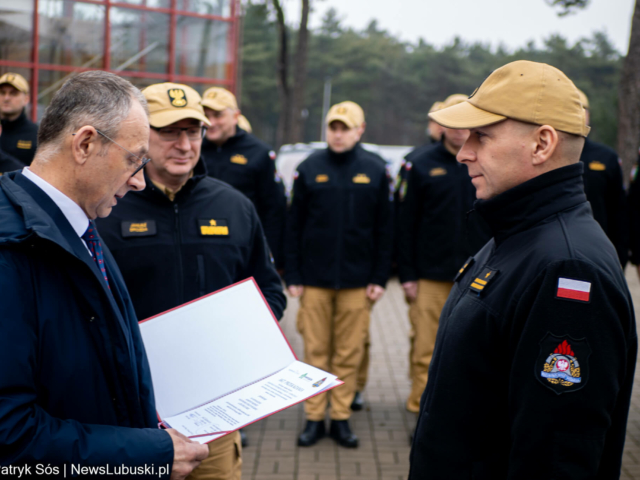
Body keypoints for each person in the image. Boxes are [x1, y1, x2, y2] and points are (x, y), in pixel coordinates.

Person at [409, 60, 637, 479]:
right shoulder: (518, 233)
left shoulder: (568, 268)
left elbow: (554, 459)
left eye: (482, 135)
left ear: (541, 144)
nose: (464, 152)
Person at [0, 71, 209, 478]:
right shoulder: (12, 251)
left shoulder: (75, 224)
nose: (138, 181)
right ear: (85, 144)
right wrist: (146, 455)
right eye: (134, 159)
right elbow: (10, 436)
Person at [97, 83, 286, 479]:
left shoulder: (235, 206)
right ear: (142, 134)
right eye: (169, 132)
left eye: (193, 131)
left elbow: (268, 290)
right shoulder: (106, 207)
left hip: (213, 418)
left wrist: (243, 341)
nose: (184, 144)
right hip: (130, 416)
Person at [285, 101, 393, 448]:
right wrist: (293, 274)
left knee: (348, 353)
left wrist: (379, 277)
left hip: (357, 282)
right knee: (316, 351)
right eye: (333, 127)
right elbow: (293, 227)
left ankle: (341, 418)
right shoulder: (309, 168)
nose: (338, 133)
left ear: (360, 130)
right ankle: (315, 418)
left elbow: (385, 229)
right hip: (314, 281)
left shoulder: (376, 170)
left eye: (346, 127)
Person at [397, 93, 491, 414]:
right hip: (431, 276)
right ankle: (423, 413)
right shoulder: (420, 164)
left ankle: (460, 414)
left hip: (480, 276)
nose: (457, 130)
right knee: (426, 349)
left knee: (472, 348)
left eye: (464, 122)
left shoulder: (489, 160)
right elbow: (405, 224)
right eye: (450, 121)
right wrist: (407, 275)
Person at [200, 87, 286, 268]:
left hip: (244, 247)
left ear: (236, 116)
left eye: (218, 115)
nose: (211, 122)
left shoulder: (258, 152)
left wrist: (270, 254)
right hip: (200, 246)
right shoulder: (193, 149)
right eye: (206, 115)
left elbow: (273, 210)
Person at [575, 89, 628, 267]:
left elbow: (618, 209)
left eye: (582, 109)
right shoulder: (546, 156)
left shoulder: (606, 156)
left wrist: (620, 254)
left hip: (600, 248)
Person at [0, 72, 38, 165]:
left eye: (13, 93)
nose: (6, 98)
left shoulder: (36, 135)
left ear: (26, 99)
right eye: (2, 93)